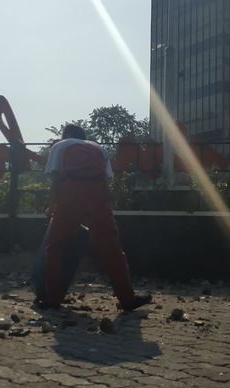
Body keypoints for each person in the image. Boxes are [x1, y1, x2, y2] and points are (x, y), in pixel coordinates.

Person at [38, 124, 151, 311]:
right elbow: (106, 180)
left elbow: (56, 178)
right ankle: (127, 298)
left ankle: (53, 298)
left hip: (71, 193)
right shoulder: (99, 148)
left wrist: (51, 207)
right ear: (84, 137)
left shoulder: (60, 146)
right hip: (99, 194)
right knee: (112, 247)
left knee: (55, 247)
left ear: (65, 135)